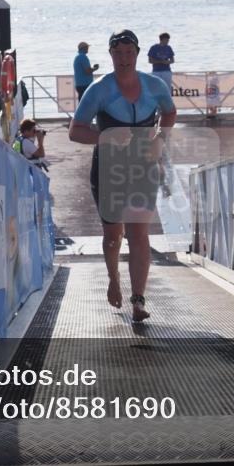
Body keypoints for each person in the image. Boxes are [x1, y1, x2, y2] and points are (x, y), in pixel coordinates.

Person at [69, 29, 177, 322]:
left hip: (142, 167)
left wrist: (159, 140)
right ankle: (114, 278)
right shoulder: (100, 90)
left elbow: (170, 113)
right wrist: (106, 137)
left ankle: (138, 299)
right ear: (111, 55)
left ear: (138, 54)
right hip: (109, 169)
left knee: (138, 234)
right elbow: (75, 131)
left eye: (130, 53)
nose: (124, 58)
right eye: (119, 53)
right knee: (114, 235)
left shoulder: (154, 85)